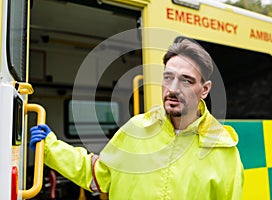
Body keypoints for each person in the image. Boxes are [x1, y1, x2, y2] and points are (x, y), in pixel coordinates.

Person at [30, 37, 244, 199]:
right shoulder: (136, 129)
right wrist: (50, 147)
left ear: (205, 89)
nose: (173, 89)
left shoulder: (224, 152)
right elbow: (98, 175)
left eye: (186, 81)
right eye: (168, 77)